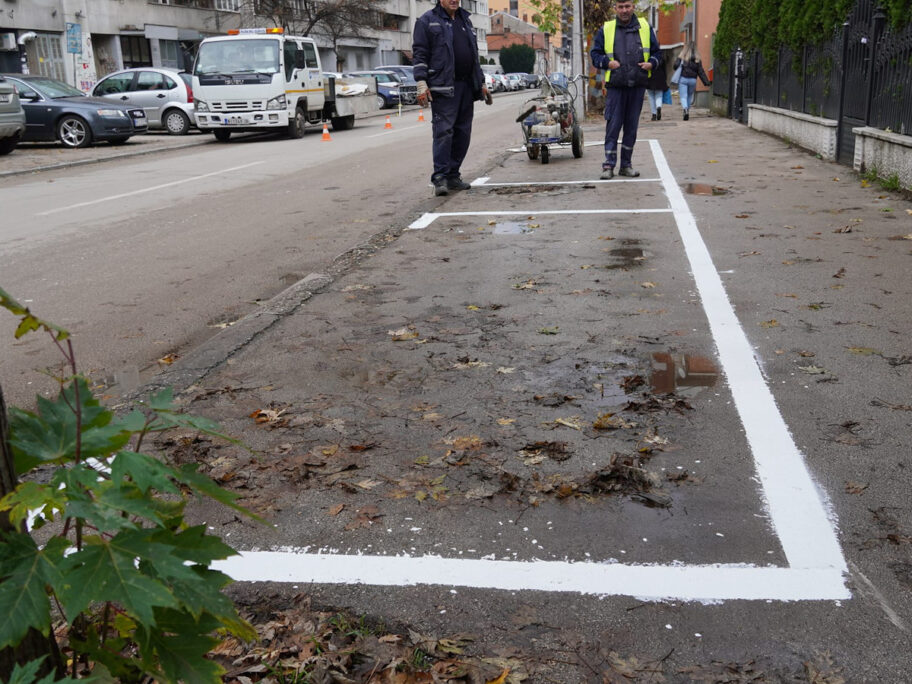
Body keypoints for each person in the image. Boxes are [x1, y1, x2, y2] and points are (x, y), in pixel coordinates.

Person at [412, 0, 492, 197]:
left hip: (466, 86)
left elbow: (474, 56)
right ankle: (440, 177)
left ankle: (453, 176)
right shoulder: (427, 21)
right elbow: (420, 53)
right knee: (444, 132)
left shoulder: (466, 21)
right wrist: (421, 82)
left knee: (463, 133)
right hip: (443, 86)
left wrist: (481, 83)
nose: (454, 0)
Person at [590, 0, 661, 180]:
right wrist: (607, 63)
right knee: (613, 127)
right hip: (616, 86)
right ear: (616, 8)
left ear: (633, 7)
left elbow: (657, 52)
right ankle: (608, 166)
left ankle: (626, 165)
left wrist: (651, 63)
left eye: (627, 6)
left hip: (637, 85)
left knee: (631, 128)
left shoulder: (645, 27)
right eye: (621, 7)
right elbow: (595, 54)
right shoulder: (606, 29)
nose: (624, 10)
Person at [674, 43, 710, 121]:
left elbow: (675, 66)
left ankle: (685, 109)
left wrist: (678, 59)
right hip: (693, 80)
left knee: (683, 96)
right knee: (689, 96)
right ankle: (687, 111)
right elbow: (701, 71)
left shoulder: (682, 56)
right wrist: (706, 82)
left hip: (683, 79)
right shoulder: (697, 59)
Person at [645, 55, 667, 121]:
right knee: (659, 95)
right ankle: (659, 107)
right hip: (660, 78)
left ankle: (654, 114)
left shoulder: (647, 57)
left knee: (651, 96)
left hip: (650, 78)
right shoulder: (661, 57)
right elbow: (664, 70)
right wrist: (665, 79)